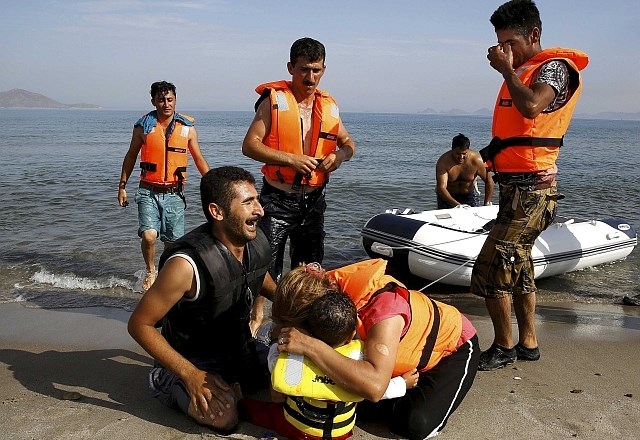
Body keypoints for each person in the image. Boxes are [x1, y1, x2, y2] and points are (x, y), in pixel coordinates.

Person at [471, 0, 589, 371]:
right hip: (515, 189)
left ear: (534, 35)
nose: (505, 51)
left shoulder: (554, 68)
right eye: (500, 43)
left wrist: (507, 71)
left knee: (490, 270)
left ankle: (504, 347)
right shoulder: (526, 70)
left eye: (511, 43)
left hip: (533, 192)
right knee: (518, 268)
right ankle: (528, 343)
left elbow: (533, 108)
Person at [127, 166, 276, 433]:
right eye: (248, 202)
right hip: (191, 362)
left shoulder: (253, 239)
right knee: (225, 417)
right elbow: (139, 325)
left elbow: (258, 278)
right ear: (217, 212)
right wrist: (191, 375)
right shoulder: (185, 265)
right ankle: (170, 384)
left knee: (296, 372)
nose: (260, 210)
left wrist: (304, 301)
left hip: (239, 351)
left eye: (257, 200)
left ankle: (236, 383)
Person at [276, 258, 479, 440]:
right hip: (393, 359)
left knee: (414, 425)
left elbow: (374, 388)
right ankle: (395, 385)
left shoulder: (384, 310)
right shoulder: (320, 288)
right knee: (348, 402)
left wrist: (311, 346)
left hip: (451, 349)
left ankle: (409, 392)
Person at [241, 265, 418, 440]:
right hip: (340, 433)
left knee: (256, 410)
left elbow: (277, 395)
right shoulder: (357, 356)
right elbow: (385, 388)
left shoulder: (285, 354)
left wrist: (291, 349)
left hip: (295, 426)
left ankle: (239, 407)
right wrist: (403, 383)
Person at [242, 37, 356, 282]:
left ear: (324, 69)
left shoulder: (329, 107)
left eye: (316, 70)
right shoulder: (273, 102)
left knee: (309, 272)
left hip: (314, 201)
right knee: (265, 268)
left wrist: (339, 156)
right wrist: (290, 160)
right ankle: (258, 315)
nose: (310, 77)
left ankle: (296, 318)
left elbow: (349, 144)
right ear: (291, 68)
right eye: (304, 69)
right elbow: (249, 146)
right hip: (277, 199)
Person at [118, 81, 210, 291]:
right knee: (149, 235)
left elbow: (199, 159)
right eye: (161, 100)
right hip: (147, 190)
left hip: (174, 194)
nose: (166, 104)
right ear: (153, 101)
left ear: (175, 100)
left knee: (172, 244)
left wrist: (217, 186)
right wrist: (122, 186)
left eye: (170, 99)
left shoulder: (187, 128)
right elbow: (131, 156)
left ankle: (166, 276)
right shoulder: (143, 127)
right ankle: (151, 270)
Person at [435, 133, 494, 209]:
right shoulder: (443, 162)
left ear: (468, 150)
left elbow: (489, 181)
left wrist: (487, 203)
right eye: (458, 154)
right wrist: (457, 206)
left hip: (469, 195)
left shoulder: (477, 160)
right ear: (452, 149)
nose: (461, 157)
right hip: (447, 195)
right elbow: (441, 188)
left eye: (464, 154)